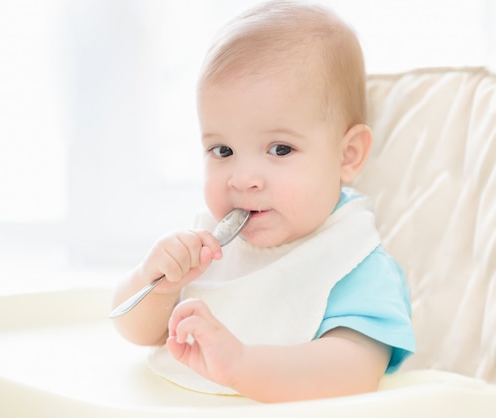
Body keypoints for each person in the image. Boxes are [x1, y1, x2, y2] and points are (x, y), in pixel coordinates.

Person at [111, 0, 415, 403]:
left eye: (280, 149)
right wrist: (158, 284)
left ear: (347, 156)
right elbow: (133, 330)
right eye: (222, 151)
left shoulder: (353, 260)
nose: (243, 179)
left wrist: (241, 365)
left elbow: (353, 372)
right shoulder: (209, 244)